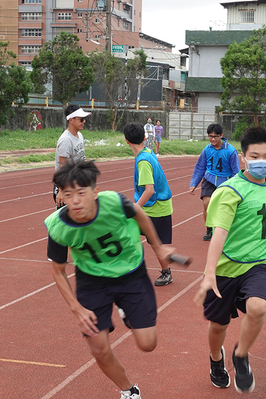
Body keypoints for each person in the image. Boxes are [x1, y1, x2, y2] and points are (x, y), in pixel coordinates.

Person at [45, 160, 173, 399]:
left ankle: (127, 312)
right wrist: (76, 308)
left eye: (81, 193)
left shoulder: (115, 202)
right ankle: (129, 391)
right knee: (99, 349)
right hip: (93, 282)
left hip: (130, 274)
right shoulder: (58, 226)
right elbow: (58, 271)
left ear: (95, 192)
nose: (75, 200)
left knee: (148, 344)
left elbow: (140, 214)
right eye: (68, 194)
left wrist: (158, 247)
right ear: (60, 194)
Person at [193, 126, 266, 393]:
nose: (262, 162)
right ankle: (216, 359)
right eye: (255, 156)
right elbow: (219, 233)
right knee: (218, 326)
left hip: (260, 263)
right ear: (243, 157)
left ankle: (240, 355)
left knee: (257, 308)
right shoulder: (231, 191)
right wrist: (209, 272)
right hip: (226, 269)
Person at [123, 123, 174, 286]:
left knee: (156, 244)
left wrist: (135, 207)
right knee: (128, 234)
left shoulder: (143, 161)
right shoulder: (148, 152)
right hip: (154, 206)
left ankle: (166, 273)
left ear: (126, 141)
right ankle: (128, 270)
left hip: (156, 207)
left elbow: (149, 190)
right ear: (145, 138)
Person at [189, 124, 239, 241]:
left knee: (223, 208)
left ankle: (224, 229)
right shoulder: (207, 149)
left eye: (215, 137)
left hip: (225, 182)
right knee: (207, 203)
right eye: (210, 136)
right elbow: (200, 167)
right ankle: (209, 230)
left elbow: (235, 171)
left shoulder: (231, 151)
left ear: (221, 135)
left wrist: (232, 187)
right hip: (209, 179)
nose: (212, 139)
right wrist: (194, 183)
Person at [53, 104, 90, 208]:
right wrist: (61, 191)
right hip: (67, 188)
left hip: (77, 185)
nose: (84, 122)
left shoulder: (80, 136)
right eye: (81, 119)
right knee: (66, 222)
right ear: (71, 120)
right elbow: (62, 169)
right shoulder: (66, 140)